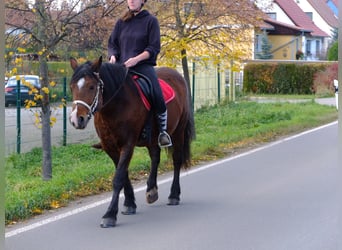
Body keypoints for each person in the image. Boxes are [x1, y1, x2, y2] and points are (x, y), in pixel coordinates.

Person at [107, 0, 172, 147]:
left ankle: (162, 131)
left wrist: (136, 59)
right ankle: (107, 132)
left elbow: (153, 47)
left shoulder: (151, 21)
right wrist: (113, 56)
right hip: (121, 67)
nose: (131, 1)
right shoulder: (121, 22)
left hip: (142, 66)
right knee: (104, 90)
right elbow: (112, 44)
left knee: (156, 92)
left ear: (143, 1)